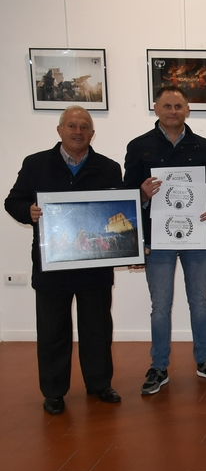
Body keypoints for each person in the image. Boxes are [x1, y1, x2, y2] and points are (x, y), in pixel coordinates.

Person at [5, 106, 123, 415]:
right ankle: (54, 392)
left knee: (97, 329)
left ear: (92, 134)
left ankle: (99, 384)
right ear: (60, 130)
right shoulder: (35, 164)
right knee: (52, 332)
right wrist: (27, 212)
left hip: (94, 266)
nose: (78, 131)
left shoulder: (109, 168)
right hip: (52, 265)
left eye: (84, 126)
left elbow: (117, 211)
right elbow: (13, 201)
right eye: (72, 125)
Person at [124, 85, 206, 395]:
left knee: (199, 302)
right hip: (157, 238)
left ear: (187, 110)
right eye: (167, 106)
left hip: (195, 235)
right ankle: (158, 366)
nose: (172, 111)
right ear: (156, 108)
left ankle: (205, 359)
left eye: (178, 106)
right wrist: (141, 195)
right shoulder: (138, 146)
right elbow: (127, 195)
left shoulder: (202, 145)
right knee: (160, 306)